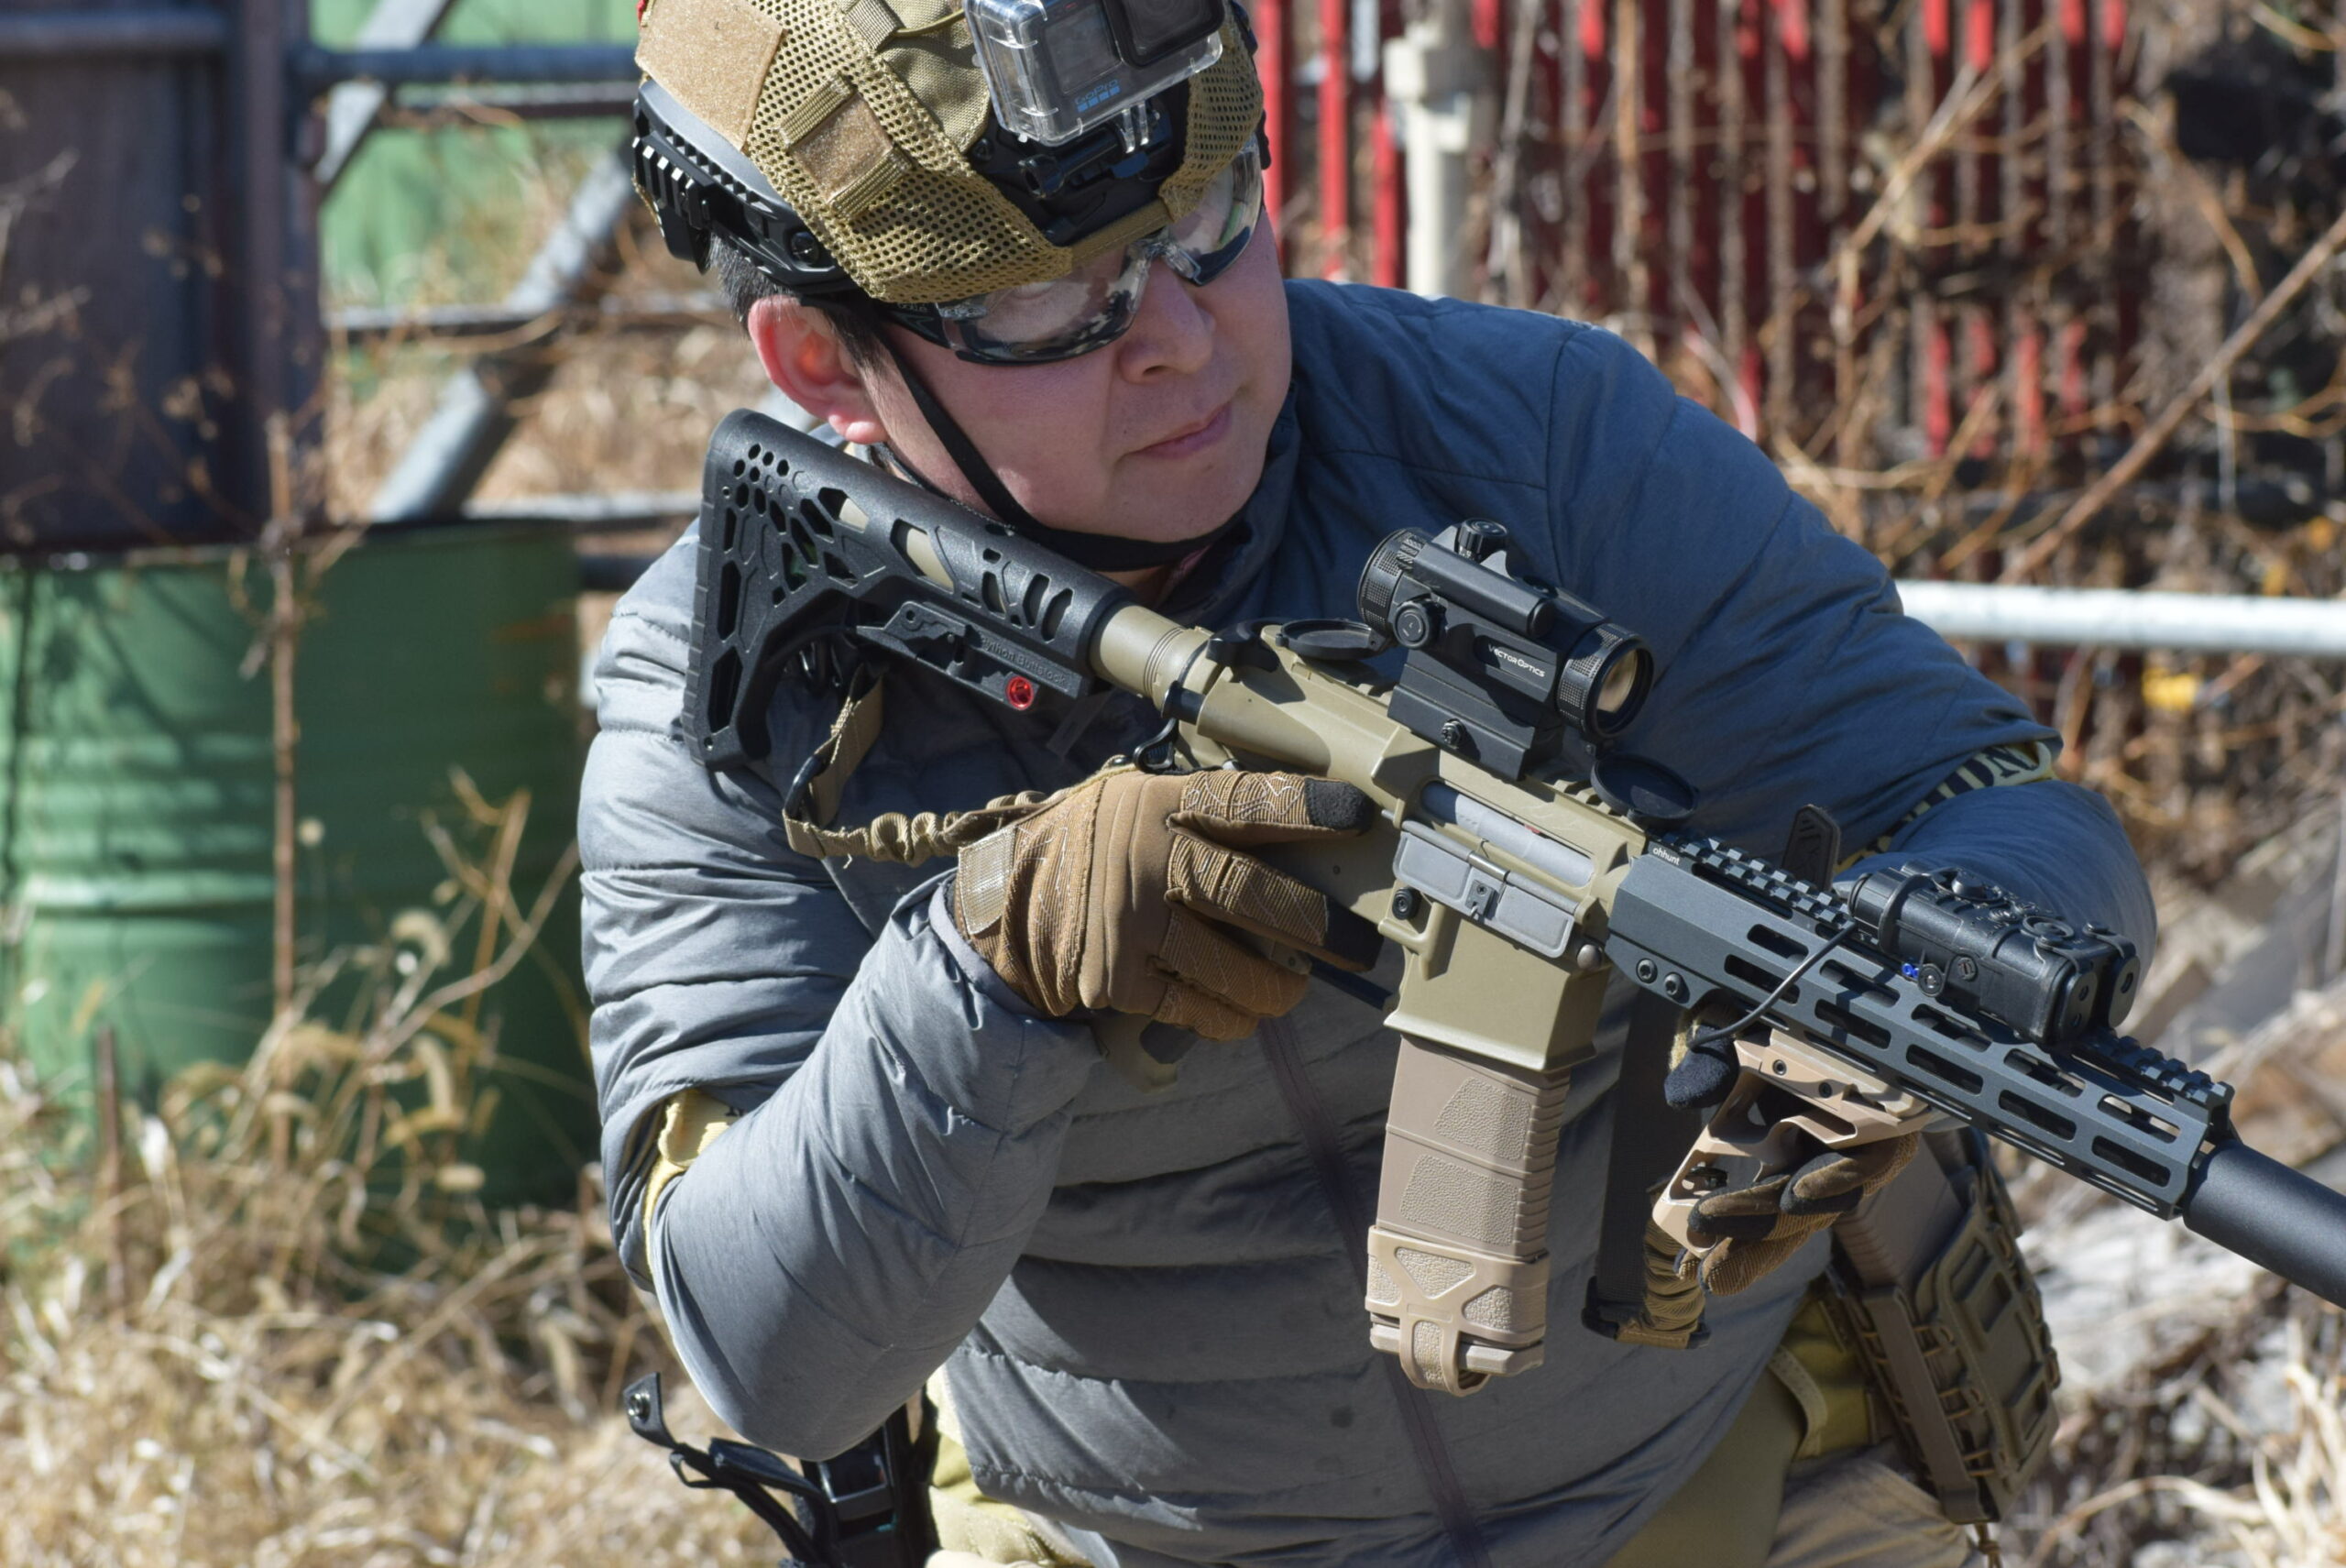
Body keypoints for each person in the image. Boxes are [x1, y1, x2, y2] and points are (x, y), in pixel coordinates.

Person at [585, 0, 2156, 1563]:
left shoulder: (1530, 436)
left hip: (1725, 1479)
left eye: (1209, 216)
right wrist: (984, 973)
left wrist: (1895, 986)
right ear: (823, 359)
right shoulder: (734, 685)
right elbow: (770, 1362)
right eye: (1048, 299)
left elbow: (2013, 814)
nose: (1179, 337)